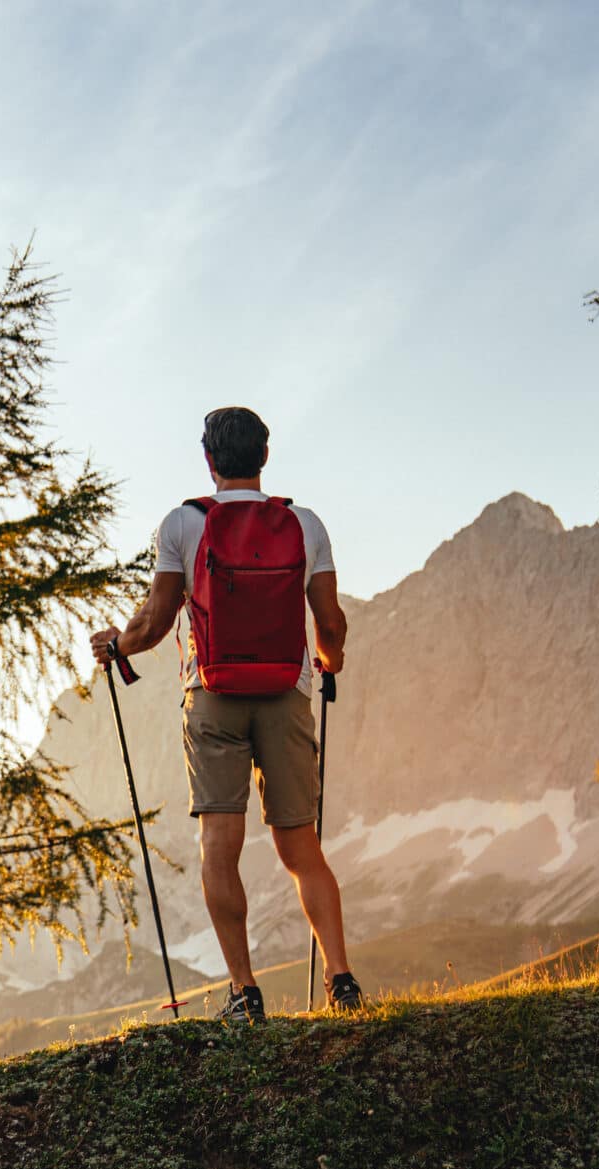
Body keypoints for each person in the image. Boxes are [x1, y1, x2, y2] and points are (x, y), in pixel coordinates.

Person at [91, 406, 360, 1023]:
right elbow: (330, 622)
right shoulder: (304, 522)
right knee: (301, 848)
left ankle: (245, 992)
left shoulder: (184, 524)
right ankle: (342, 981)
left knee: (221, 844)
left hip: (211, 696)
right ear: (264, 458)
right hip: (286, 694)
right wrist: (330, 661)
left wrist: (116, 645)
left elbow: (155, 623)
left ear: (208, 460)